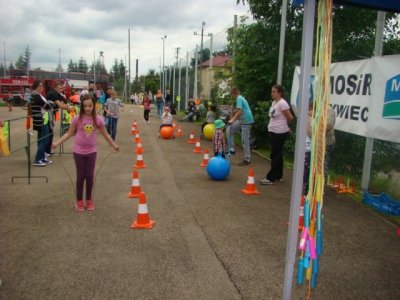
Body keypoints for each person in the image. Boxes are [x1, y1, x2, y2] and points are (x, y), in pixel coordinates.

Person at [52, 94, 119, 211]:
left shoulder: (98, 120)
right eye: (85, 106)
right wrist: (56, 143)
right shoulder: (77, 118)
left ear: (94, 105)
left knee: (89, 175)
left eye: (90, 106)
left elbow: (105, 134)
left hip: (91, 151)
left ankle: (88, 199)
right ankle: (79, 201)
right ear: (82, 106)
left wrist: (114, 145)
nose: (88, 108)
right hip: (78, 151)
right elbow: (68, 134)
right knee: (80, 175)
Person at [260, 84, 293, 185]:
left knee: (274, 153)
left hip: (280, 131)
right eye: (271, 91)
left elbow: (290, 117)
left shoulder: (282, 103)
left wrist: (285, 126)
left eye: (274, 92)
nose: (272, 93)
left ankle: (271, 178)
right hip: (273, 130)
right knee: (278, 153)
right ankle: (279, 175)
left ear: (280, 93)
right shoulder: (274, 102)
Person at [227, 87, 254, 166]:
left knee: (244, 140)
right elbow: (239, 110)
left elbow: (240, 112)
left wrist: (232, 120)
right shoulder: (240, 98)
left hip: (246, 120)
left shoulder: (239, 98)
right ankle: (232, 149)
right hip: (242, 120)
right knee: (230, 129)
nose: (231, 97)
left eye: (231, 95)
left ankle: (247, 159)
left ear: (233, 94)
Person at [29, 80, 53, 166]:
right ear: (35, 86)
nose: (41, 87)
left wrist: (48, 105)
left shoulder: (37, 95)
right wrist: (48, 105)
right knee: (45, 139)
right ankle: (38, 159)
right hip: (41, 119)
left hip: (43, 119)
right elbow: (46, 105)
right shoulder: (35, 95)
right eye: (39, 86)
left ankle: (42, 157)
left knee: (41, 139)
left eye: (42, 86)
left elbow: (47, 105)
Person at [45, 83, 71, 157]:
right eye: (60, 88)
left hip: (50, 115)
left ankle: (48, 150)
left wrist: (68, 105)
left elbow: (64, 100)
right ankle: (46, 151)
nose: (61, 90)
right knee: (47, 134)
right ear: (55, 88)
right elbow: (60, 105)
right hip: (46, 115)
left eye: (62, 88)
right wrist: (68, 108)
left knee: (50, 133)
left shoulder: (57, 94)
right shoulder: (52, 94)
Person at [303, 102, 313, 195]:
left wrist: (309, 121)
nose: (308, 111)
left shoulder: (313, 120)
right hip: (304, 148)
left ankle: (308, 190)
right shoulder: (306, 118)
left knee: (307, 171)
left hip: (310, 148)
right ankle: (306, 189)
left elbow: (310, 133)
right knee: (304, 171)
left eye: (310, 109)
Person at [325, 105, 336, 183]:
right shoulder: (319, 107)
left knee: (323, 164)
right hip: (319, 141)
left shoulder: (328, 110)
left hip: (327, 142)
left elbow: (329, 126)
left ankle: (321, 184)